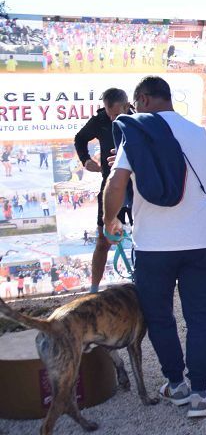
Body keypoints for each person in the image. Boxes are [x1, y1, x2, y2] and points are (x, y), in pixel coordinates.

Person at [104, 76, 206, 418]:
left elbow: (116, 182)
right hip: (198, 241)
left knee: (160, 317)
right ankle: (200, 392)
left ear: (143, 99)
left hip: (152, 244)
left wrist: (112, 220)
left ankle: (176, 385)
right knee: (200, 319)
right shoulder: (199, 134)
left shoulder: (137, 132)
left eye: (136, 104)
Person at [75, 88, 133, 293]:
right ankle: (93, 289)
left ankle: (148, 285)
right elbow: (80, 138)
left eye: (116, 115)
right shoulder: (100, 120)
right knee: (103, 240)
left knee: (145, 238)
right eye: (109, 114)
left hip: (137, 187)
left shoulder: (139, 118)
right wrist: (85, 160)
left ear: (127, 106)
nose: (112, 119)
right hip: (110, 185)